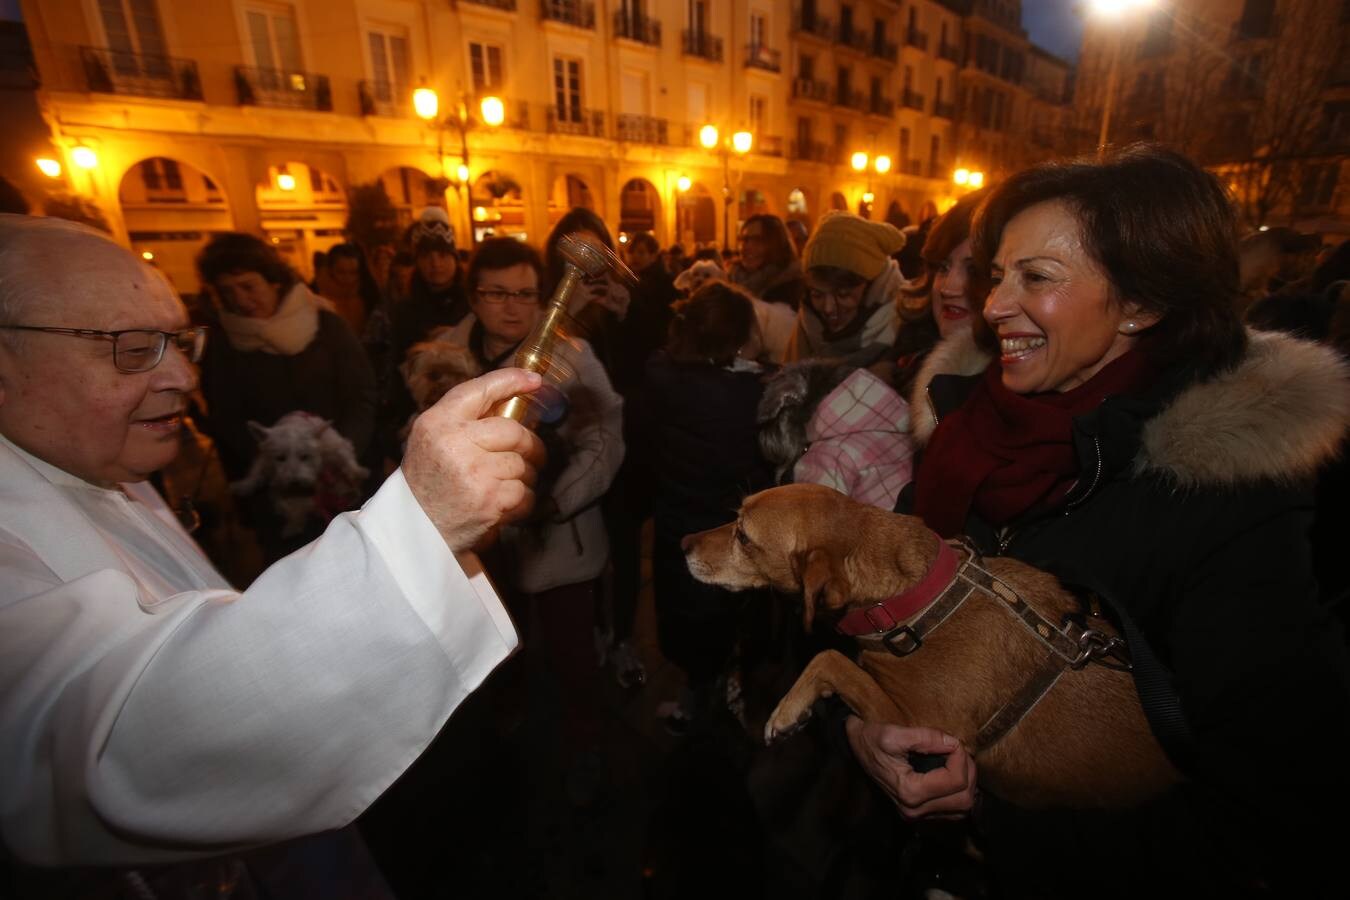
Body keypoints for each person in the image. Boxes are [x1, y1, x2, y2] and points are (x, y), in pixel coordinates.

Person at [845, 146, 1350, 896]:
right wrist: (862, 727)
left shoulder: (1228, 508)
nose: (991, 305)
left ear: (1142, 303)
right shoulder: (962, 429)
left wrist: (992, 820)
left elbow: (1271, 821)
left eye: (1036, 278)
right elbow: (871, 607)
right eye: (998, 273)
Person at [0, 214, 544, 885]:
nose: (180, 378)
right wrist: (421, 518)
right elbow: (118, 748)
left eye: (176, 341)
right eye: (133, 346)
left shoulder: (101, 468)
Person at [445, 237, 625, 801]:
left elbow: (605, 438)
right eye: (496, 293)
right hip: (480, 546)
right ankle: (505, 721)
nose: (512, 306)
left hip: (558, 539)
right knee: (496, 644)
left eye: (525, 292)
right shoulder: (446, 357)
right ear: (474, 297)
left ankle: (587, 745)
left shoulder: (571, 354)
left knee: (574, 653)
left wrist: (555, 502)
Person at [628, 282, 772, 734]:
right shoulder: (748, 396)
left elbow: (643, 449)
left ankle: (694, 701)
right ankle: (723, 714)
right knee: (725, 623)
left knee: (685, 614)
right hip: (726, 533)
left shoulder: (660, 378)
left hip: (675, 523)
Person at [194, 232, 377, 566]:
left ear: (274, 281)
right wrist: (274, 459)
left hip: (341, 481)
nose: (241, 300)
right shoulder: (224, 343)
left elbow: (362, 395)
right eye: (227, 291)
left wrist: (339, 452)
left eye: (248, 286)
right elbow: (227, 417)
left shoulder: (326, 325)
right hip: (275, 494)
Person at [891, 187, 990, 395]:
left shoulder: (1009, 392)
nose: (947, 288)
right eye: (943, 267)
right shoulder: (904, 362)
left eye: (973, 271)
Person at [786, 212, 906, 369]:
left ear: (873, 286)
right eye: (817, 295)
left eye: (843, 294)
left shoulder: (905, 327)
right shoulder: (806, 322)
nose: (828, 308)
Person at [728, 214, 807, 309]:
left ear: (777, 244)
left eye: (758, 240)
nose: (746, 247)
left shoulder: (791, 289)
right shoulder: (731, 281)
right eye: (744, 240)